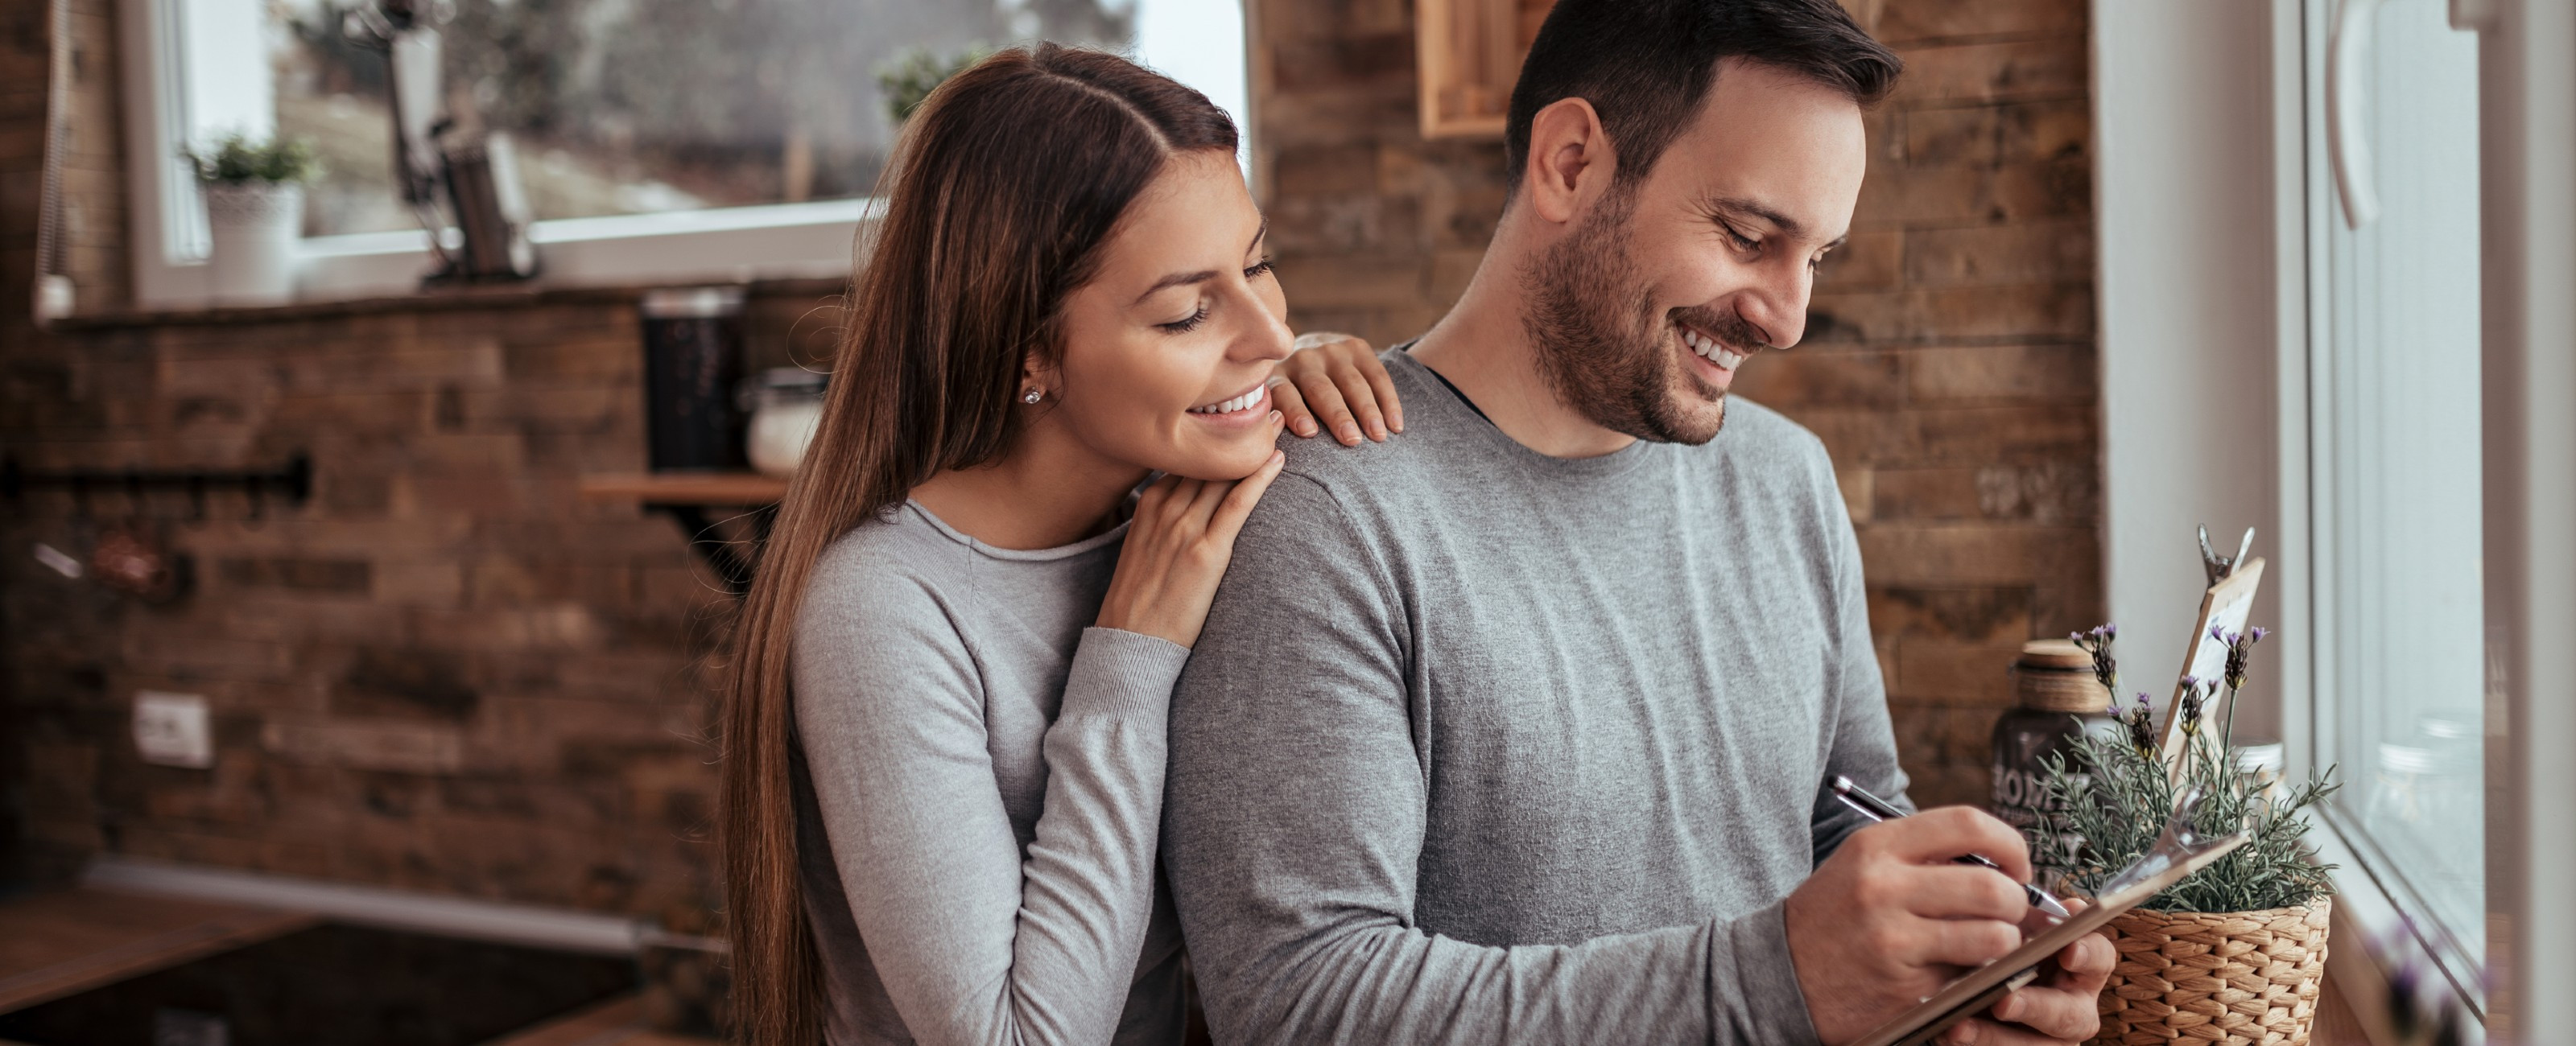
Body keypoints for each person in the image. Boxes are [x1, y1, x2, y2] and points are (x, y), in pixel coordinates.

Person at [1160, 2, 2114, 1044]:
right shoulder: (1323, 512)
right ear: (1570, 163)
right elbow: (1300, 1004)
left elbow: (1847, 820)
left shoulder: (1786, 481)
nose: (1788, 317)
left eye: (1819, 258)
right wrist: (1774, 982)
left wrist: (1956, 967)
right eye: (1750, 236)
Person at [716, 44, 1406, 1046]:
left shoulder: (1185, 507)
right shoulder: (884, 612)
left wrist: (1314, 378)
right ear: (1028, 351)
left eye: (1257, 262)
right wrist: (1128, 656)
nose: (1268, 330)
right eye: (1185, 311)